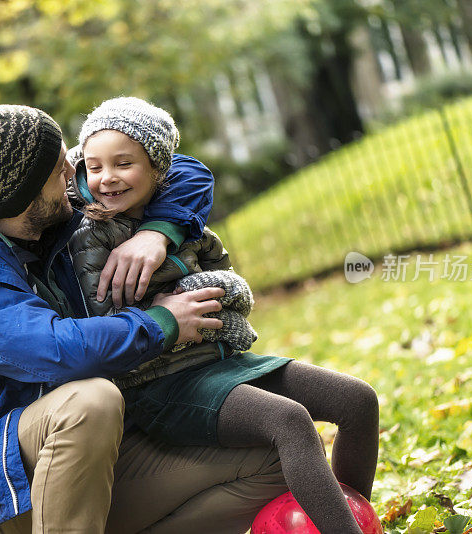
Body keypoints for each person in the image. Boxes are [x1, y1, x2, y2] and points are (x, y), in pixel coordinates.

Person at [0, 97, 288, 534]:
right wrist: (162, 323)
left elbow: (178, 168)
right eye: (61, 172)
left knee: (270, 462)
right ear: (24, 203)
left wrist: (159, 232)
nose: (75, 175)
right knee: (91, 401)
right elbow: (57, 350)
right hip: (7, 478)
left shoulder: (38, 203)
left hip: (105, 448)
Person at [67, 97, 380, 534]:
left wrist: (203, 284)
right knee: (289, 422)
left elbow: (225, 278)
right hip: (160, 383)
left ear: (159, 170)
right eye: (95, 167)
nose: (107, 178)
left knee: (357, 400)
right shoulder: (88, 237)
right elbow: (106, 313)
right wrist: (181, 293)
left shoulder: (179, 219)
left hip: (217, 362)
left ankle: (346, 520)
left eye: (124, 163)